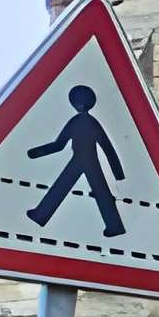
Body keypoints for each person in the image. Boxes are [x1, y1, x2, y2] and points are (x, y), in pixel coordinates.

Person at [25, 85, 126, 239]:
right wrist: (118, 173)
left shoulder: (77, 121)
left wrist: (35, 153)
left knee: (65, 187)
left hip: (82, 160)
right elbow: (107, 148)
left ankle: (40, 215)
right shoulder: (91, 122)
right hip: (85, 159)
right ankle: (115, 226)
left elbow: (59, 145)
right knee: (97, 192)